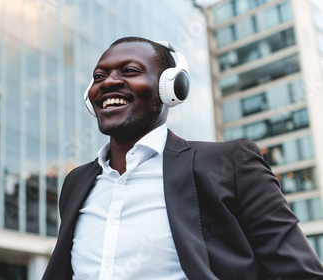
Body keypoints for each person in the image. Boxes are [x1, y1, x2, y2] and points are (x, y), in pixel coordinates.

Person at [42, 37, 323, 280]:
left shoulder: (230, 163)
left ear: (172, 87)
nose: (110, 82)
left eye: (129, 71)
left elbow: (298, 273)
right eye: (100, 77)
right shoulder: (76, 182)